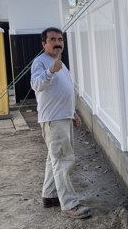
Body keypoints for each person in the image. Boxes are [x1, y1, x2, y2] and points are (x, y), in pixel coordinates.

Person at [30, 27, 91, 219]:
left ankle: (50, 196)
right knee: (63, 160)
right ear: (44, 44)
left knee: (54, 159)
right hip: (53, 119)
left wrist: (72, 112)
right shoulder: (41, 62)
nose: (58, 42)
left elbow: (63, 90)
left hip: (62, 116)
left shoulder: (60, 63)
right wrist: (49, 71)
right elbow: (37, 85)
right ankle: (69, 204)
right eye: (53, 39)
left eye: (60, 39)